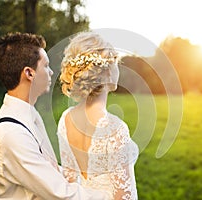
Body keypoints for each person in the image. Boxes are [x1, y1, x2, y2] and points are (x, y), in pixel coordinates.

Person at [0, 32, 109, 199]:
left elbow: (48, 169)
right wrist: (109, 195)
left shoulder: (27, 116)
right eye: (46, 66)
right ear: (29, 73)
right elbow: (60, 193)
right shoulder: (11, 134)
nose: (51, 72)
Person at [57, 32, 139, 200]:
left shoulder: (65, 120)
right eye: (116, 62)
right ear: (107, 72)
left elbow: (71, 181)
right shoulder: (115, 129)